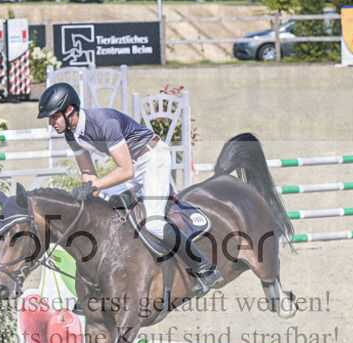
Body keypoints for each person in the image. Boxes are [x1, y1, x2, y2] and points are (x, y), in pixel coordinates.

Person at [37, 82, 221, 295]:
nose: (50, 123)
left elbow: (126, 171)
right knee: (96, 217)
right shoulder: (71, 133)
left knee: (153, 225)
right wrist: (86, 192)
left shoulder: (103, 122)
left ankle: (204, 268)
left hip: (151, 159)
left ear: (69, 110)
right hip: (131, 164)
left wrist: (93, 185)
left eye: (53, 117)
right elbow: (87, 171)